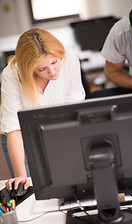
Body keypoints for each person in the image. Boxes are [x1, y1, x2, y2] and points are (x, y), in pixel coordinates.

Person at [1, 27, 85, 191]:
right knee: (29, 189)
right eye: (41, 69)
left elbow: (74, 108)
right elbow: (14, 129)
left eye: (54, 62)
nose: (52, 72)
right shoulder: (11, 75)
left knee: (68, 185)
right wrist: (21, 176)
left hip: (59, 130)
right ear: (29, 68)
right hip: (21, 139)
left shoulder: (69, 57)